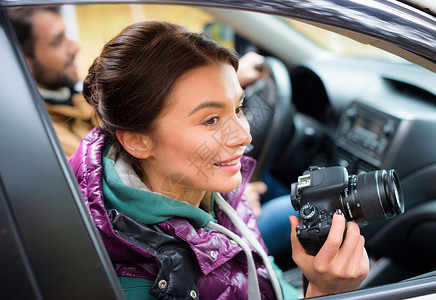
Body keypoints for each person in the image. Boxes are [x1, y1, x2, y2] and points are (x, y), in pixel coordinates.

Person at [69, 20, 368, 299]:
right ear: (137, 141)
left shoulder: (210, 192)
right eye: (211, 120)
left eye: (238, 108)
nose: (244, 136)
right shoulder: (136, 284)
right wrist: (326, 290)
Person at [7, 6, 98, 157]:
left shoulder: (89, 98)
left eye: (66, 35)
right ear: (24, 61)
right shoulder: (43, 141)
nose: (74, 47)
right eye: (57, 41)